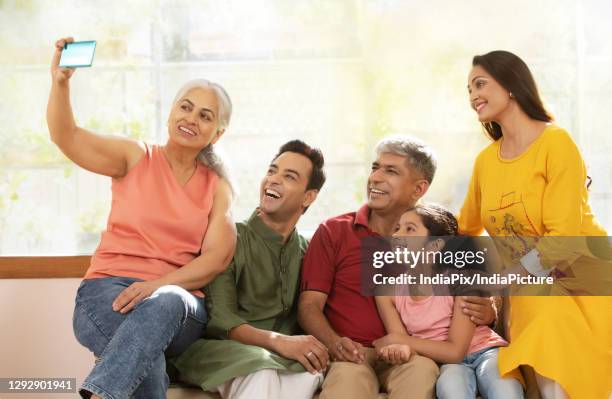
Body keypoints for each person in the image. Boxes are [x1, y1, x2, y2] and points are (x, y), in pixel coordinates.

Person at [47, 37, 236, 399]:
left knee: (167, 299)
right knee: (149, 366)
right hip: (106, 292)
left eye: (205, 116)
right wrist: (60, 82)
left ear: (218, 133)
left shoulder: (217, 187)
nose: (191, 119)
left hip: (179, 306)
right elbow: (65, 136)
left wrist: (157, 285)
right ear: (170, 114)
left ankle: (101, 392)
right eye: (186, 107)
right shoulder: (135, 157)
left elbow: (217, 259)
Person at [461, 50, 612, 399]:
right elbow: (464, 226)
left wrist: (507, 276)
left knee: (550, 323)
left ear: (512, 85)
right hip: (530, 287)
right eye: (468, 89)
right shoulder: (486, 161)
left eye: (480, 84)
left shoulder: (555, 143)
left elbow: (564, 239)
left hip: (584, 281)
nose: (472, 96)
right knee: (539, 314)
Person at [298, 135, 497, 399]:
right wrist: (335, 344)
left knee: (422, 372)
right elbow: (309, 306)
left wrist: (490, 309)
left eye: (390, 171)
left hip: (412, 354)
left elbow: (483, 288)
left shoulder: (437, 235)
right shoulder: (334, 231)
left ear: (418, 189)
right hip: (352, 354)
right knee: (347, 382)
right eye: (374, 168)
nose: (375, 178)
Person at [171, 140, 327, 399]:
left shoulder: (308, 251)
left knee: (309, 372)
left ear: (308, 196)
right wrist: (280, 342)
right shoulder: (230, 238)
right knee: (261, 371)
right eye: (272, 170)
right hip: (221, 350)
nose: (273, 180)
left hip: (282, 355)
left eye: (288, 176)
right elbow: (222, 320)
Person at [374, 204, 524, 399]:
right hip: (449, 365)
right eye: (397, 228)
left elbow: (456, 350)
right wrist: (396, 349)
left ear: (434, 245)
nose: (397, 236)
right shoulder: (387, 292)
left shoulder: (460, 280)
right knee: (451, 390)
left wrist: (399, 341)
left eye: (409, 229)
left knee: (505, 389)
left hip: (487, 351)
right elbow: (404, 346)